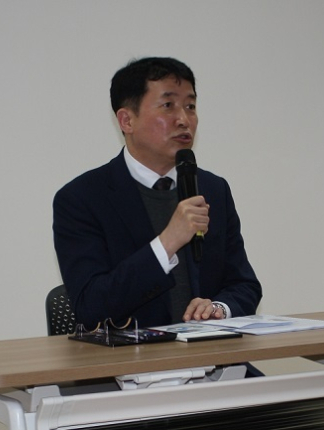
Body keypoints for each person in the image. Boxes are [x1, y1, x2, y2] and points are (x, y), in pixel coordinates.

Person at [53, 57, 262, 330]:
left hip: (210, 352)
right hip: (134, 355)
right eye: (168, 106)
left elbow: (244, 285)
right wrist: (167, 242)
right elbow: (91, 305)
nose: (184, 120)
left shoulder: (213, 189)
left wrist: (219, 309)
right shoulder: (81, 199)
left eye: (190, 106)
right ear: (127, 120)